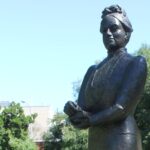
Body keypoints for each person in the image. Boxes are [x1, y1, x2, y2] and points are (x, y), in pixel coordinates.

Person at [64, 5, 147, 150]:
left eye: (114, 28)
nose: (108, 33)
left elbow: (121, 108)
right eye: (104, 31)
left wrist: (90, 119)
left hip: (122, 138)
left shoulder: (135, 63)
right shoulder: (92, 71)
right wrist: (74, 114)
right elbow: (83, 110)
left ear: (126, 32)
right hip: (96, 140)